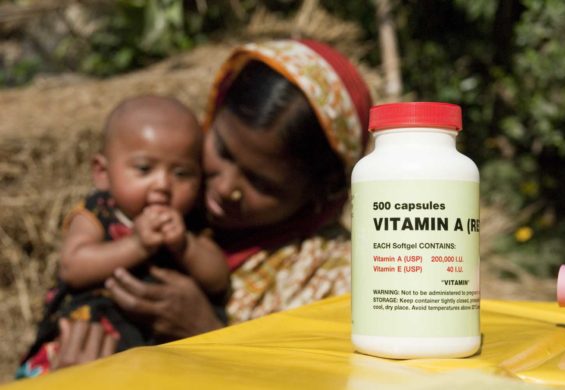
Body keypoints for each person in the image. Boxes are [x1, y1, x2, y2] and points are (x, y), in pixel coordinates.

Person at [46, 38, 372, 367]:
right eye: (223, 151)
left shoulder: (335, 281)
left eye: (261, 183)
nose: (226, 188)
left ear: (319, 194)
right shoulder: (158, 201)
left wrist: (206, 331)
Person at [17, 95, 229, 377]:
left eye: (181, 173)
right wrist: (136, 245)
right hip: (85, 342)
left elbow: (218, 279)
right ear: (103, 173)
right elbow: (73, 266)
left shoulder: (190, 223)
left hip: (154, 358)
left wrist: (185, 246)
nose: (163, 185)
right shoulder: (98, 212)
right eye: (144, 169)